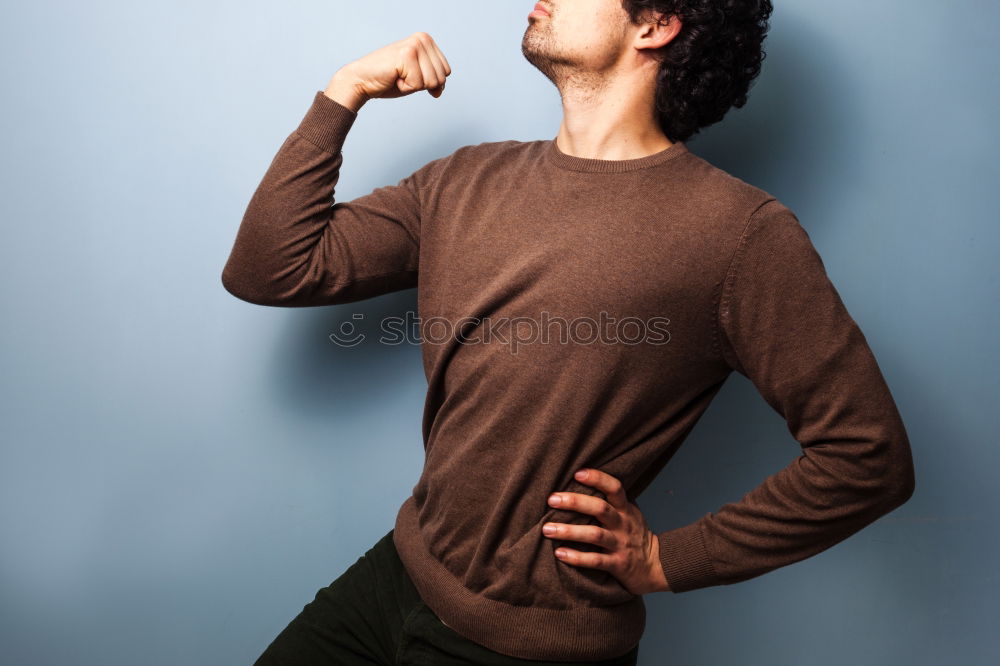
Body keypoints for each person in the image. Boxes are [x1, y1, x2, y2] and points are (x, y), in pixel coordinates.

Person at [222, 1, 916, 663]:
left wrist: (669, 560)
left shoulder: (740, 235)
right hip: (394, 580)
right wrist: (344, 93)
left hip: (533, 648)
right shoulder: (464, 179)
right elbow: (270, 269)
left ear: (656, 24)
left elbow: (867, 458)